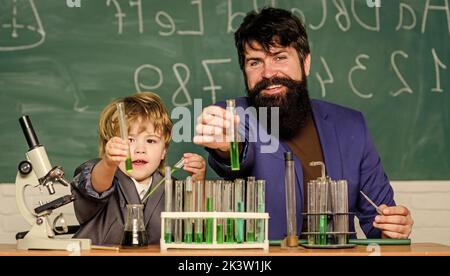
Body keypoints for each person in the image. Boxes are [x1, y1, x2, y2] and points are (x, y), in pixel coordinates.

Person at [193, 7, 413, 240]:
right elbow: (235, 151)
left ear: (305, 62)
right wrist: (228, 147)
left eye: (280, 57)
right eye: (255, 62)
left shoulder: (351, 126)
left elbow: (379, 223)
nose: (268, 72)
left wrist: (394, 226)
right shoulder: (233, 115)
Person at [71, 92, 206, 245]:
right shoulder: (101, 173)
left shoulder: (172, 188)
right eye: (129, 140)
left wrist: (196, 185)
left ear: (164, 151)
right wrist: (108, 163)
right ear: (110, 144)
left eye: (151, 140)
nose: (140, 149)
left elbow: (195, 227)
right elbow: (96, 186)